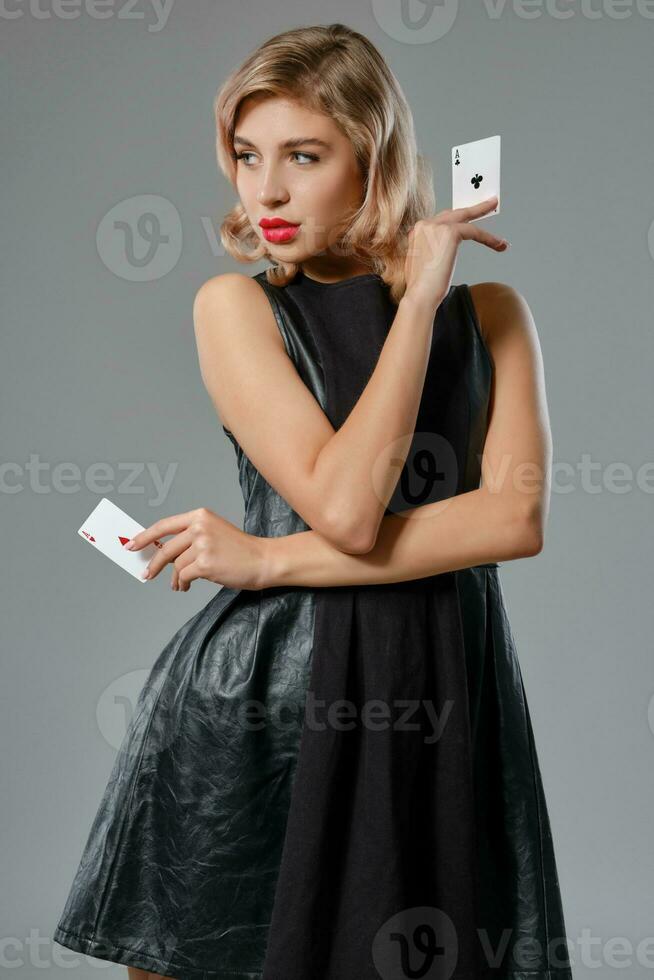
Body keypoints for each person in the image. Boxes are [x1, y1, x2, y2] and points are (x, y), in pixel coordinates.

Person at [52, 23, 574, 980]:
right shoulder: (235, 309)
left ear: (372, 160)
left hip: (438, 698)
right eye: (248, 158)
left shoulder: (494, 315)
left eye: (304, 155)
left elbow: (512, 521)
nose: (267, 192)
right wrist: (414, 308)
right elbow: (346, 507)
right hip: (267, 707)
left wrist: (263, 558)